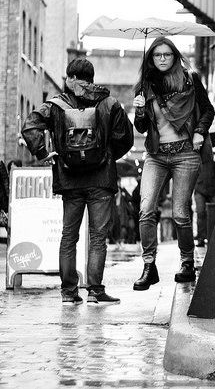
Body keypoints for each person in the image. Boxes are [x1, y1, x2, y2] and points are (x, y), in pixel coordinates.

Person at [21, 58, 134, 305]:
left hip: (70, 180)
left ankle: (69, 293)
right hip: (101, 181)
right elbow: (126, 138)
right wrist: (107, 155)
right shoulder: (109, 103)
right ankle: (95, 291)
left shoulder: (55, 105)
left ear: (70, 78)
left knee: (68, 236)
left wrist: (42, 152)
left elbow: (29, 126)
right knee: (97, 237)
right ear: (91, 79)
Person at [132, 36, 215, 291]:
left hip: (185, 154)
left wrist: (200, 131)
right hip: (156, 155)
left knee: (180, 213)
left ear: (175, 56)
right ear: (151, 59)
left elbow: (208, 110)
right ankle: (149, 266)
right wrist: (138, 110)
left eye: (167, 54)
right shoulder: (144, 87)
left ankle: (187, 262)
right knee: (146, 209)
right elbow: (142, 127)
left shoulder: (190, 79)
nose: (162, 59)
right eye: (157, 55)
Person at [193, 150, 215, 247]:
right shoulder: (197, 156)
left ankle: (214, 237)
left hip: (213, 189)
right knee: (200, 213)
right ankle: (201, 238)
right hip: (200, 188)